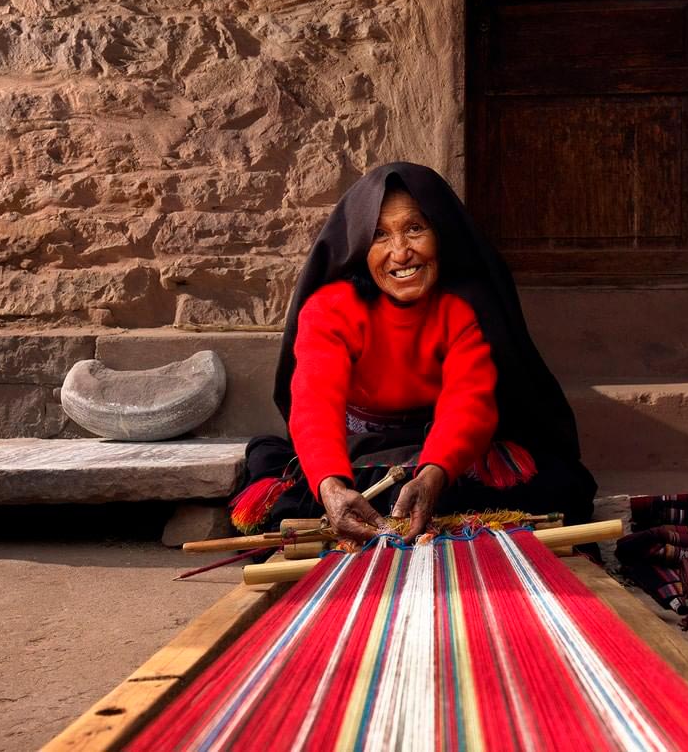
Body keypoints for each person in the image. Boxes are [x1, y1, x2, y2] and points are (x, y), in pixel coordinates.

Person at [234, 162, 596, 543]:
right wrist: (330, 487)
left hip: (444, 448)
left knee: (561, 486)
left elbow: (468, 402)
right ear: (360, 247)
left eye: (414, 229)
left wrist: (434, 473)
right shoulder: (331, 308)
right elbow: (314, 401)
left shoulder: (461, 308)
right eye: (379, 236)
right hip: (361, 452)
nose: (400, 253)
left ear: (440, 234)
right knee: (288, 498)